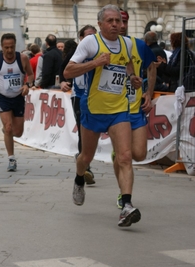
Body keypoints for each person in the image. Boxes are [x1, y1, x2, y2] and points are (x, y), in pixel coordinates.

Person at [64, 4, 142, 227]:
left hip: (119, 110)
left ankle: (126, 206)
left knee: (124, 157)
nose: (116, 25)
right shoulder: (91, 42)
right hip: (93, 109)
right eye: (111, 21)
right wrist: (95, 63)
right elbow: (68, 71)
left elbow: (127, 67)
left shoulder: (127, 43)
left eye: (118, 21)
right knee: (86, 157)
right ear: (100, 24)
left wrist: (134, 79)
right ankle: (79, 179)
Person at [113, 9, 157, 209]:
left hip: (135, 108)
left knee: (139, 154)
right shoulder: (104, 46)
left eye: (124, 22)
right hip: (114, 110)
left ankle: (117, 157)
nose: (121, 25)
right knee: (125, 156)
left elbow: (151, 67)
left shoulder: (138, 45)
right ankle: (124, 197)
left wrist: (149, 93)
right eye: (118, 21)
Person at [0, 33, 34, 171]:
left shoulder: (22, 58)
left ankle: (6, 131)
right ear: (1, 47)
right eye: (6, 48)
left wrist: (27, 85)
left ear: (16, 46)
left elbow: (31, 75)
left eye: (12, 47)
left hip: (18, 97)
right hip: (2, 97)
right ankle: (11, 159)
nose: (9, 51)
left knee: (18, 132)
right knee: (9, 127)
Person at [59, 25, 97, 185]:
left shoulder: (101, 52)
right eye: (88, 36)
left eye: (94, 36)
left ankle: (82, 157)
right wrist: (62, 82)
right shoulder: (77, 53)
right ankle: (86, 166)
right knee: (83, 129)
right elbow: (63, 70)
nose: (91, 39)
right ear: (81, 38)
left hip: (98, 96)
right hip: (79, 95)